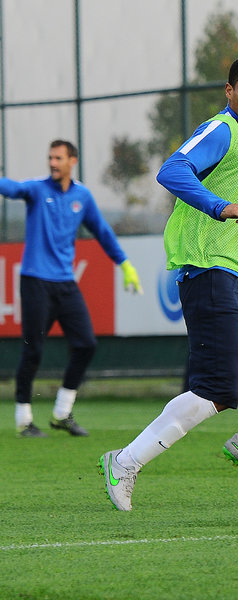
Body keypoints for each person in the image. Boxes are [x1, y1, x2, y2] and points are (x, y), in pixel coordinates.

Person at [98, 55, 238, 511]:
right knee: (219, 390)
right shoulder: (220, 130)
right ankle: (125, 461)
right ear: (230, 91)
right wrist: (221, 207)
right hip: (208, 272)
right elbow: (171, 170)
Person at [0, 140, 142, 438]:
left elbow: (102, 231)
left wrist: (125, 264)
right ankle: (24, 419)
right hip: (35, 281)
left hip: (65, 284)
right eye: (50, 157)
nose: (53, 163)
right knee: (32, 349)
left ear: (72, 161)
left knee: (86, 344)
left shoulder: (82, 196)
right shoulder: (36, 189)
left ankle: (62, 413)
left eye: (58, 158)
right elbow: (10, 188)